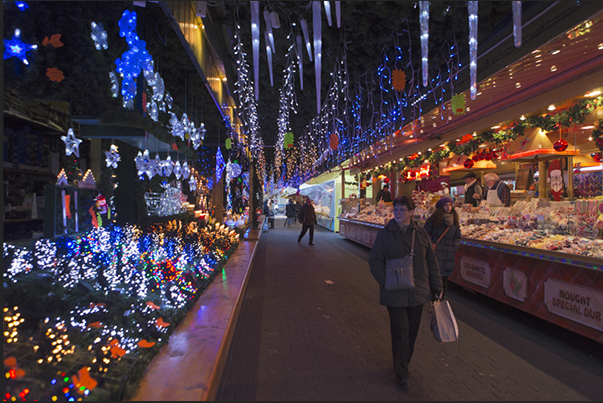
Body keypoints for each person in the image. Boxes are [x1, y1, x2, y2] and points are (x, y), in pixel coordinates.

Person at [368, 196, 442, 391]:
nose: (398, 213)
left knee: (411, 333)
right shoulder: (386, 234)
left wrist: (437, 286)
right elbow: (374, 261)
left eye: (402, 209)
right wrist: (386, 281)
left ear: (411, 212)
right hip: (395, 293)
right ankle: (402, 373)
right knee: (400, 332)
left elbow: (431, 262)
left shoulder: (422, 234)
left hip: (418, 292)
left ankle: (403, 364)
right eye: (396, 209)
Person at [423, 197, 462, 299]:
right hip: (436, 253)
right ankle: (433, 303)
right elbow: (425, 235)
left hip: (448, 254)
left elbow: (457, 237)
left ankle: (440, 303)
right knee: (435, 278)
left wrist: (453, 248)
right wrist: (431, 247)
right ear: (441, 207)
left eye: (450, 205)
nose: (448, 207)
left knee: (444, 281)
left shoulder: (454, 221)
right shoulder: (433, 220)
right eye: (445, 205)